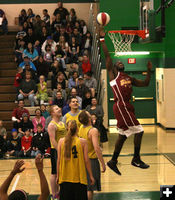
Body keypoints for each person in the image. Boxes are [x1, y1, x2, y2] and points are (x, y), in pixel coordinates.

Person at [99, 27, 152, 175]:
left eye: (121, 62)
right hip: (121, 106)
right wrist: (102, 39)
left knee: (122, 136)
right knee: (139, 131)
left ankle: (113, 160)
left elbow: (145, 83)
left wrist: (149, 71)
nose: (120, 62)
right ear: (114, 67)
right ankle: (136, 158)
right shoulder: (113, 77)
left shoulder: (129, 78)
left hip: (128, 106)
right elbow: (108, 56)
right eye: (118, 62)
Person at [57, 120, 95, 200]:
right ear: (78, 129)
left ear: (67, 129)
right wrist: (91, 175)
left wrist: (58, 175)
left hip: (64, 177)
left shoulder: (61, 141)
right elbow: (86, 160)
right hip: (79, 178)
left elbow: (59, 160)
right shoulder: (83, 142)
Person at [78, 111, 106, 200]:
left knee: (85, 186)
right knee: (90, 188)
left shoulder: (81, 127)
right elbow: (96, 148)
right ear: (89, 118)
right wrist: (103, 163)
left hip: (81, 159)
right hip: (91, 161)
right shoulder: (93, 130)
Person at [48, 105, 66, 200]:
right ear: (52, 113)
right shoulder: (52, 125)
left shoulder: (62, 123)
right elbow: (53, 141)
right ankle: (54, 194)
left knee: (62, 172)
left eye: (59, 108)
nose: (59, 109)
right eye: (56, 109)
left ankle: (59, 192)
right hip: (56, 151)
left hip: (63, 150)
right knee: (54, 172)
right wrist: (59, 151)